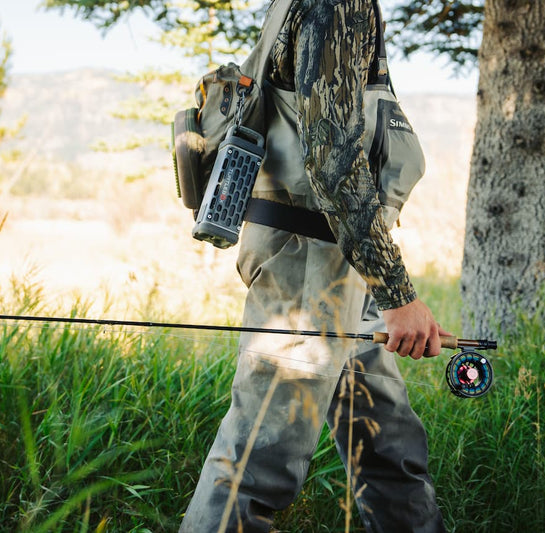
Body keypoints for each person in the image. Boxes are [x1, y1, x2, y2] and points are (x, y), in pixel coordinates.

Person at [180, 0, 449, 531]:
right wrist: (398, 295)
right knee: (260, 457)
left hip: (336, 260)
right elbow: (332, 162)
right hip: (308, 267)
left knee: (387, 447)